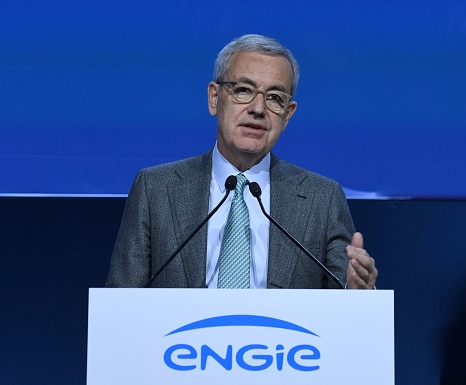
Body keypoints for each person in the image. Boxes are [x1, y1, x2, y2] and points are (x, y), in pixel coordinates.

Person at [106, 34, 378, 289]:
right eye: (244, 90)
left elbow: (349, 306)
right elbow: (120, 305)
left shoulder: (322, 199)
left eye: (274, 98)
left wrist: (357, 292)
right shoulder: (156, 190)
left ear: (287, 115)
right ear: (214, 98)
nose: (258, 109)